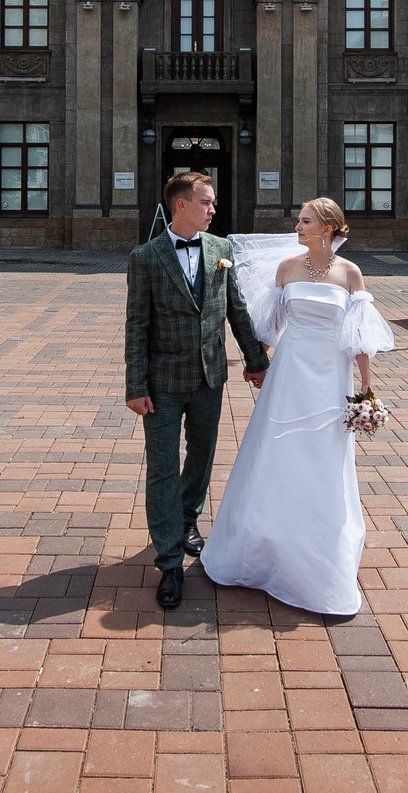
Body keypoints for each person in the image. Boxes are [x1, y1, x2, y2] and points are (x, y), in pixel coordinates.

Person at [199, 198, 394, 618]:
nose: (298, 227)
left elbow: (358, 334)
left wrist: (366, 386)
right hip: (289, 373)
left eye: (305, 221)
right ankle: (262, 544)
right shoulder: (287, 267)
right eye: (299, 221)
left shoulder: (349, 273)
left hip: (330, 376)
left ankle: (317, 551)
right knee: (277, 452)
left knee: (321, 458)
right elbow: (271, 325)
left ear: (327, 228)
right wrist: (258, 361)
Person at [124, 171, 267, 611]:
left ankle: (187, 520)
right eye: (206, 202)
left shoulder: (221, 249)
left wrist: (256, 359)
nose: (213, 209)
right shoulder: (146, 258)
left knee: (202, 457)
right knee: (163, 468)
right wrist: (135, 385)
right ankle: (169, 562)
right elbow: (137, 326)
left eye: (213, 202)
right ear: (180, 205)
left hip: (209, 378)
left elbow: (235, 309)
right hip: (162, 385)